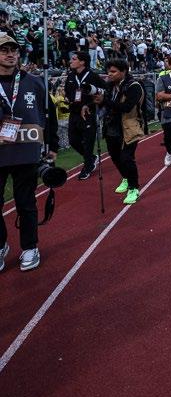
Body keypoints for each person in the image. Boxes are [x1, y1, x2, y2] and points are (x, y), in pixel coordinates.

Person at [0, 32, 59, 272]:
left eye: (14, 49)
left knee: (26, 203)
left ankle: (29, 247)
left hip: (26, 152)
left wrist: (53, 145)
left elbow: (50, 114)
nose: (11, 54)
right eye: (4, 50)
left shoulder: (34, 82)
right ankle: (1, 245)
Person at [93, 59, 144, 205]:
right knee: (115, 156)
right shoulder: (110, 86)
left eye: (113, 71)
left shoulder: (134, 86)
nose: (109, 74)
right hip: (111, 126)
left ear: (124, 72)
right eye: (108, 71)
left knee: (127, 158)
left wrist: (105, 101)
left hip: (129, 126)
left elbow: (126, 107)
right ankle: (126, 178)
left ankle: (134, 188)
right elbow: (106, 103)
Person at [64, 50, 107, 180]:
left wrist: (91, 104)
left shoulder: (93, 76)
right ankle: (91, 158)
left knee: (88, 141)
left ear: (82, 62)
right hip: (74, 112)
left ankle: (87, 166)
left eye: (74, 59)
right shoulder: (71, 76)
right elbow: (67, 91)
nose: (71, 61)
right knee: (73, 140)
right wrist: (68, 99)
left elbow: (105, 91)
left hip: (88, 112)